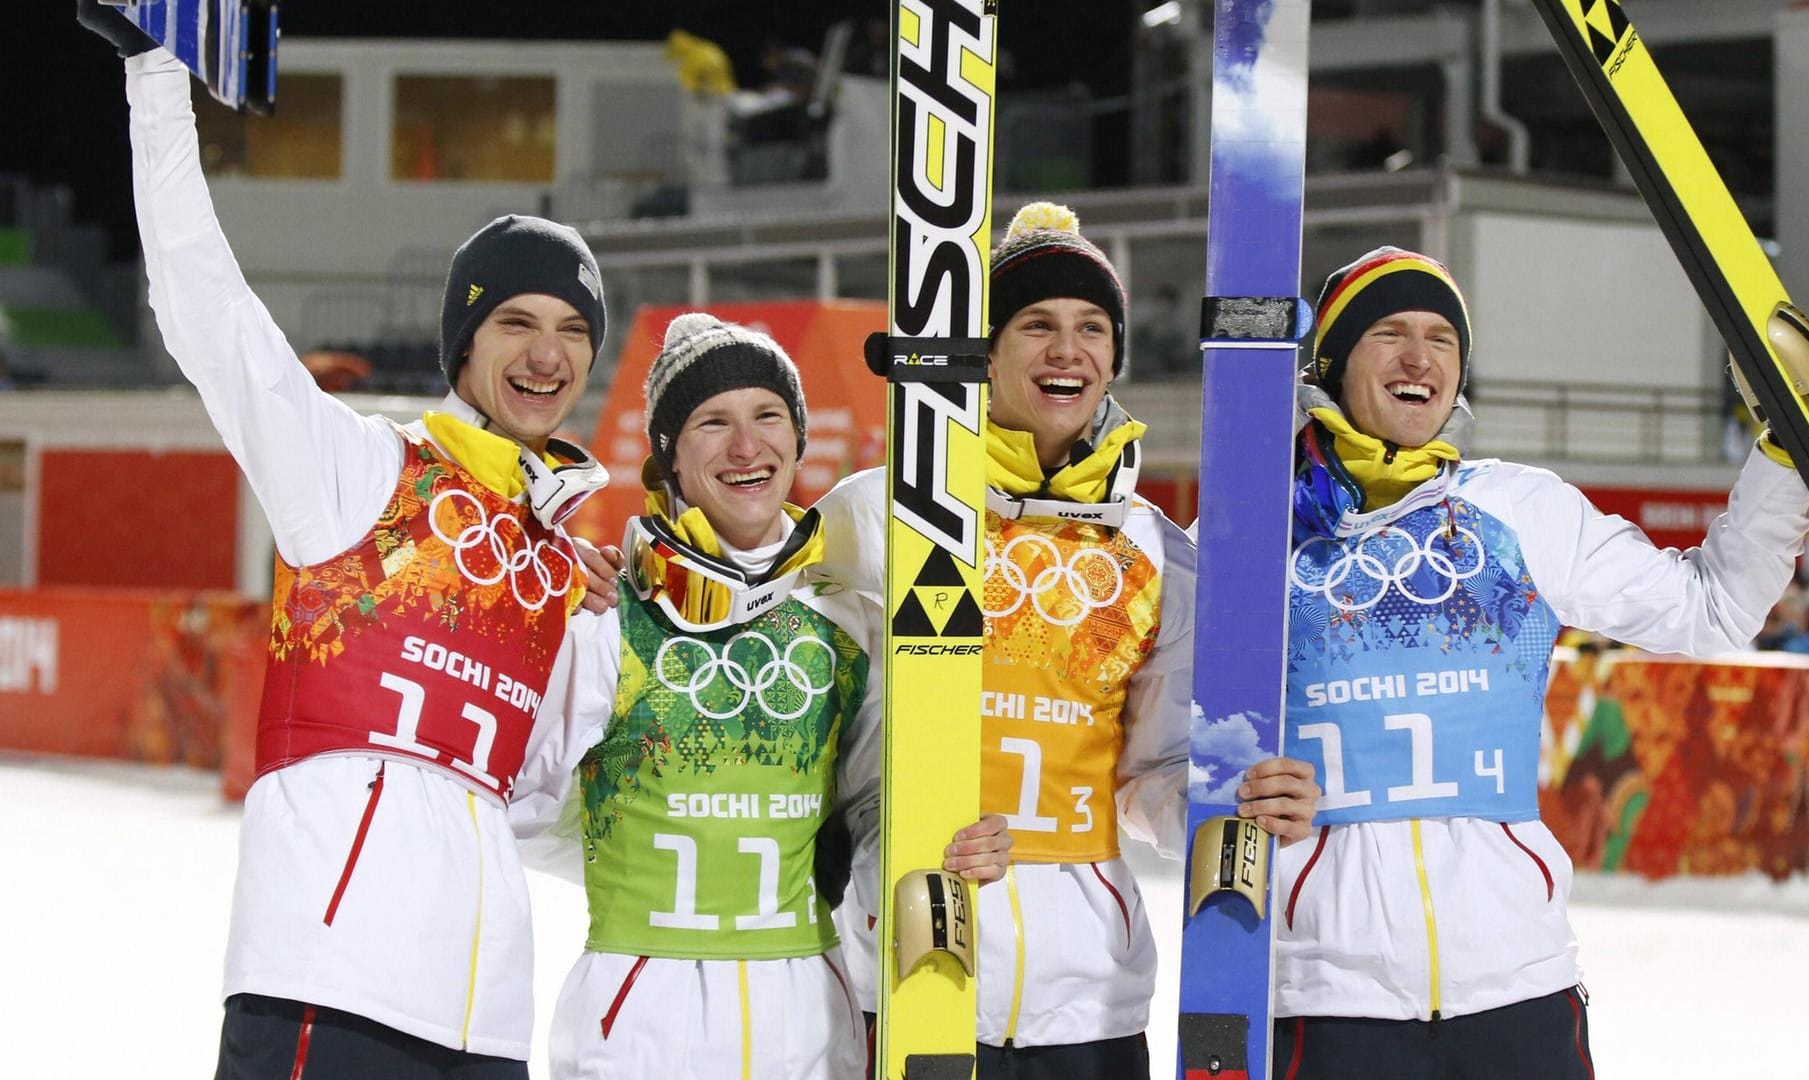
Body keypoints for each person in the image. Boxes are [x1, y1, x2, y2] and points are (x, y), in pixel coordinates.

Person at [79, 5, 617, 1076]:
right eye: (516, 323)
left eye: (572, 332)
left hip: (485, 1022)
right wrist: (154, 81)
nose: (547, 354)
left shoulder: (566, 570)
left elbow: (544, 806)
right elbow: (208, 312)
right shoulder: (361, 475)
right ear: (465, 348)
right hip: (326, 988)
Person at [1262, 246, 1809, 1077]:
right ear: (1333, 363)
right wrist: (1227, 788)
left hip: (1517, 986)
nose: (1420, 357)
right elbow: (1162, 764)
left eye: (1443, 339)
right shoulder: (1255, 536)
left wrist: (1784, 456)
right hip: (1329, 997)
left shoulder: (1520, 510)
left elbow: (1712, 609)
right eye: (1390, 333)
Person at [510, 314, 1013, 1079]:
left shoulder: (847, 617)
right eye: (713, 422)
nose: (747, 447)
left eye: (768, 416)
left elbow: (875, 799)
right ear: (669, 459)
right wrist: (639, 851)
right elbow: (524, 803)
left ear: (798, 438)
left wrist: (948, 840)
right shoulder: (609, 612)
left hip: (808, 1019)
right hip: (639, 1023)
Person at [819, 202, 1215, 1079]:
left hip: (1092, 990)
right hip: (914, 965)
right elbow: (796, 695)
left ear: (1114, 357)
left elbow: (1158, 767)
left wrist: (1232, 813)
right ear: (987, 352)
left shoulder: (1155, 550)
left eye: (1091, 327)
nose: (1066, 349)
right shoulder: (878, 513)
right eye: (1036, 324)